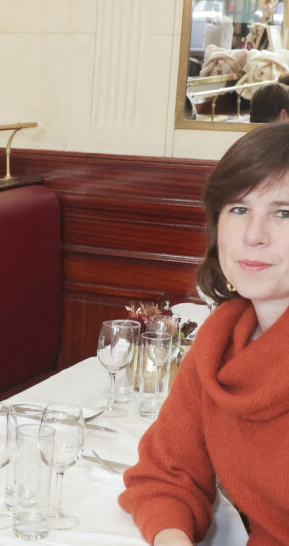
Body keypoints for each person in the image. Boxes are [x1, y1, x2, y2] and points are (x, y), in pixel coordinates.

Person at [119, 120, 289, 545]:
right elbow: (166, 475)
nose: (254, 235)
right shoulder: (223, 338)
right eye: (239, 209)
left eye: (284, 213)